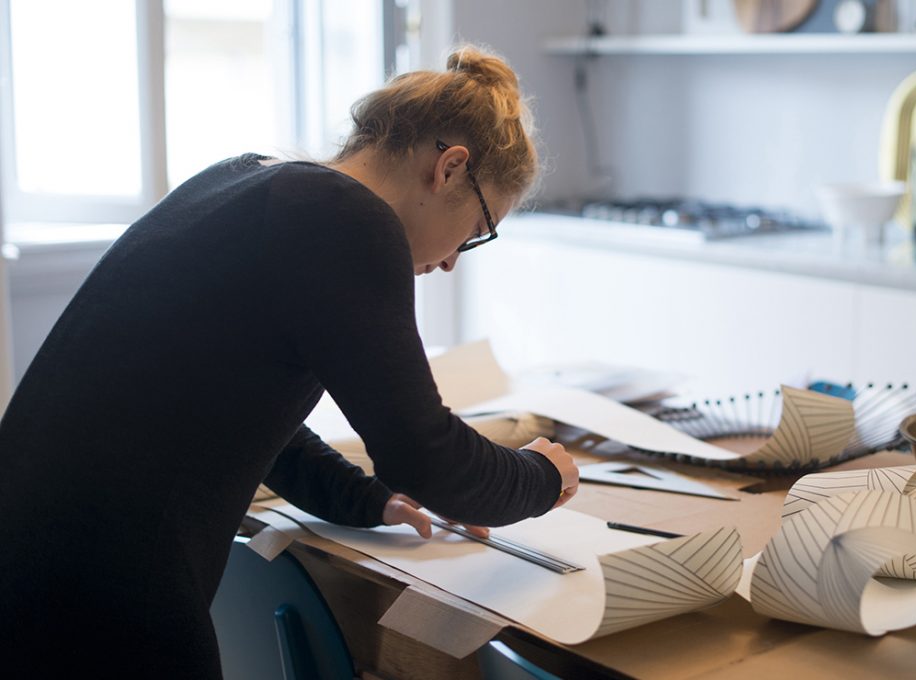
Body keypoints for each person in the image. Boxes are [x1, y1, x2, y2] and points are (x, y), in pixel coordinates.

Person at [0, 45, 578, 679]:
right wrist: (542, 478)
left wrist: (369, 499)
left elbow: (233, 417)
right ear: (449, 167)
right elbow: (425, 454)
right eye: (477, 230)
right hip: (103, 597)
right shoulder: (347, 221)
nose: (449, 262)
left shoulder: (246, 179)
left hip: (39, 560)